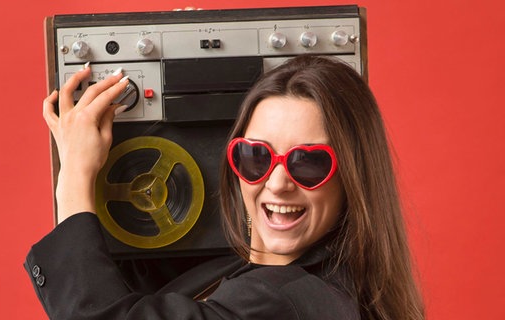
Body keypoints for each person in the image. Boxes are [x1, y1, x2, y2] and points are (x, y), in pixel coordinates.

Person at [25, 55, 424, 319]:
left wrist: (75, 175)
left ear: (353, 176)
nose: (277, 182)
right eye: (256, 157)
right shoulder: (287, 274)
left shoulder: (285, 301)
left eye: (309, 162)